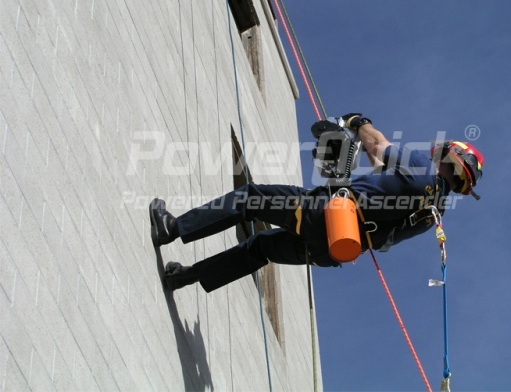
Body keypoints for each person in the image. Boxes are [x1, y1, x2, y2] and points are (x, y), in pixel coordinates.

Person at [149, 114, 485, 293]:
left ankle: (172, 228)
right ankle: (183, 278)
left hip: (323, 214)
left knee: (250, 198)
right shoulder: (430, 216)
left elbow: (379, 146)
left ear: (449, 158)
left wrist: (358, 122)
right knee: (260, 249)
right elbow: (386, 212)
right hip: (332, 249)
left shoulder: (421, 169)